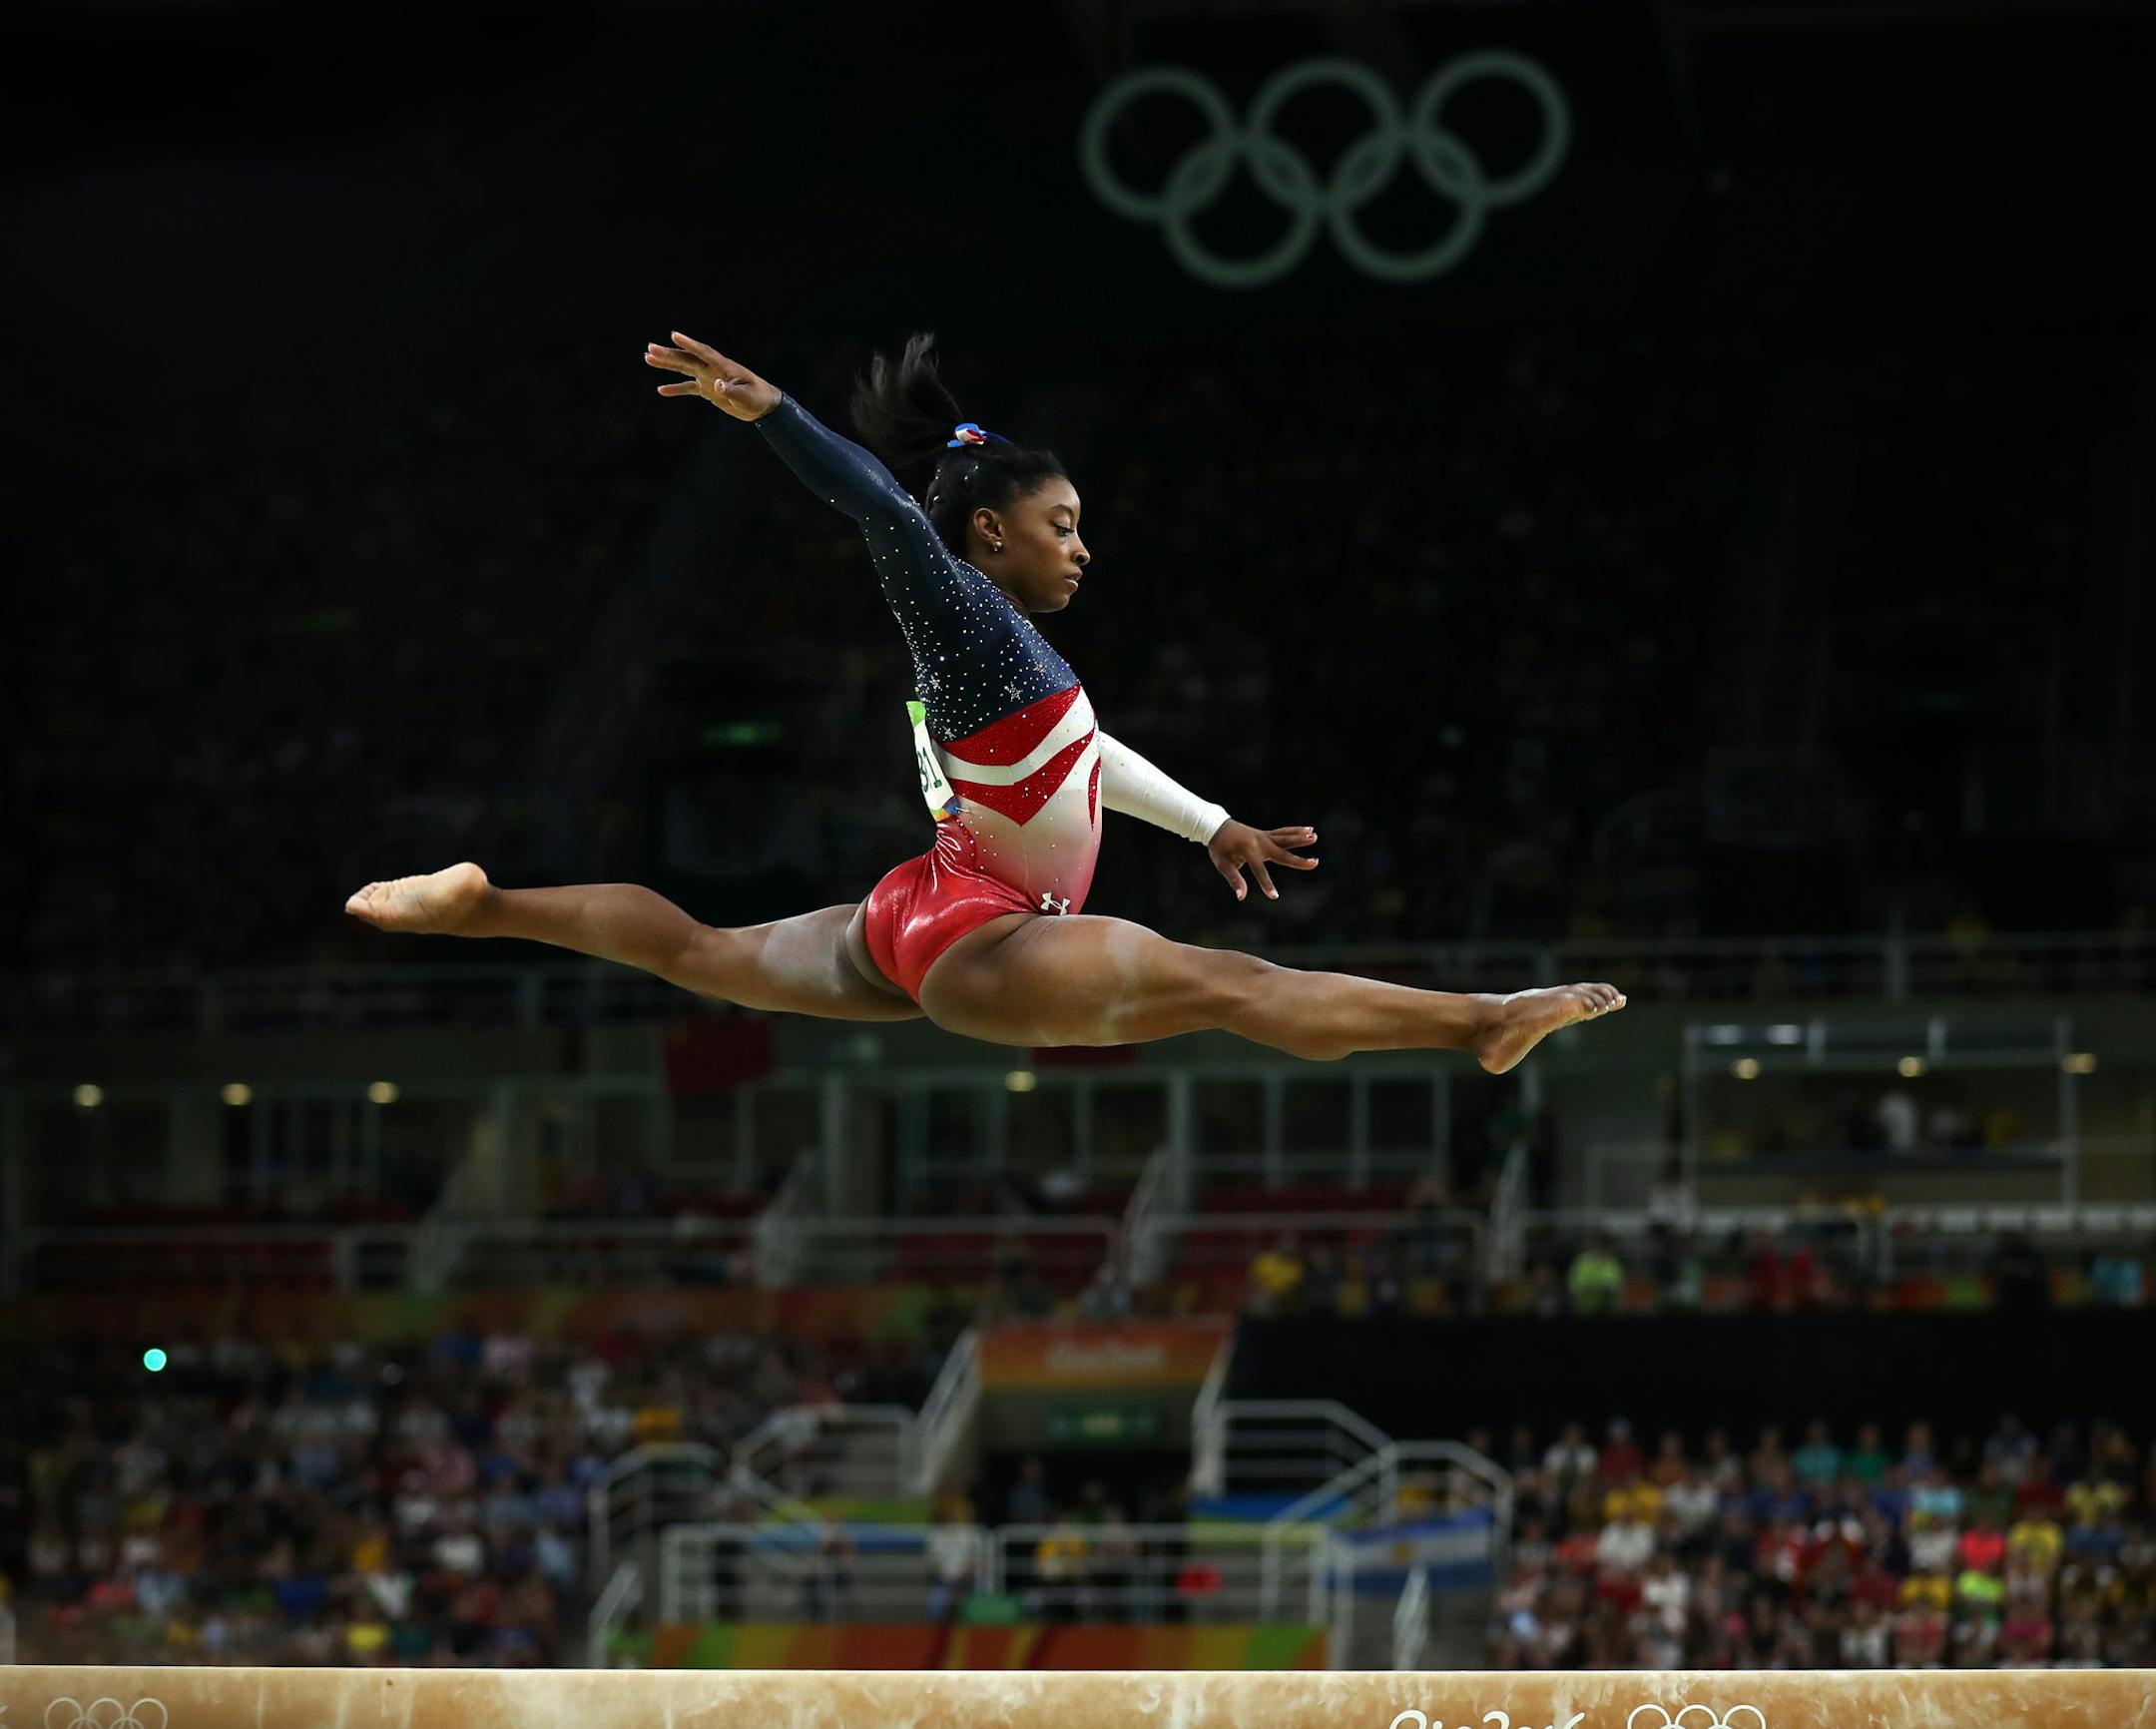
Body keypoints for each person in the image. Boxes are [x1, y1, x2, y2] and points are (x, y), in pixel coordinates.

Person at [345, 331, 1626, 1067]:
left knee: (699, 951)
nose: (1083, 548)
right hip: (983, 931)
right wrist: (775, 413)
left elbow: (1081, 759)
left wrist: (1213, 822)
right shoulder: (962, 610)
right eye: (1061, 526)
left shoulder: (999, 653)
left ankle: (487, 904)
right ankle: (1483, 1022)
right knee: (1226, 982)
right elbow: (882, 511)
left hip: (926, 905)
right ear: (993, 535)